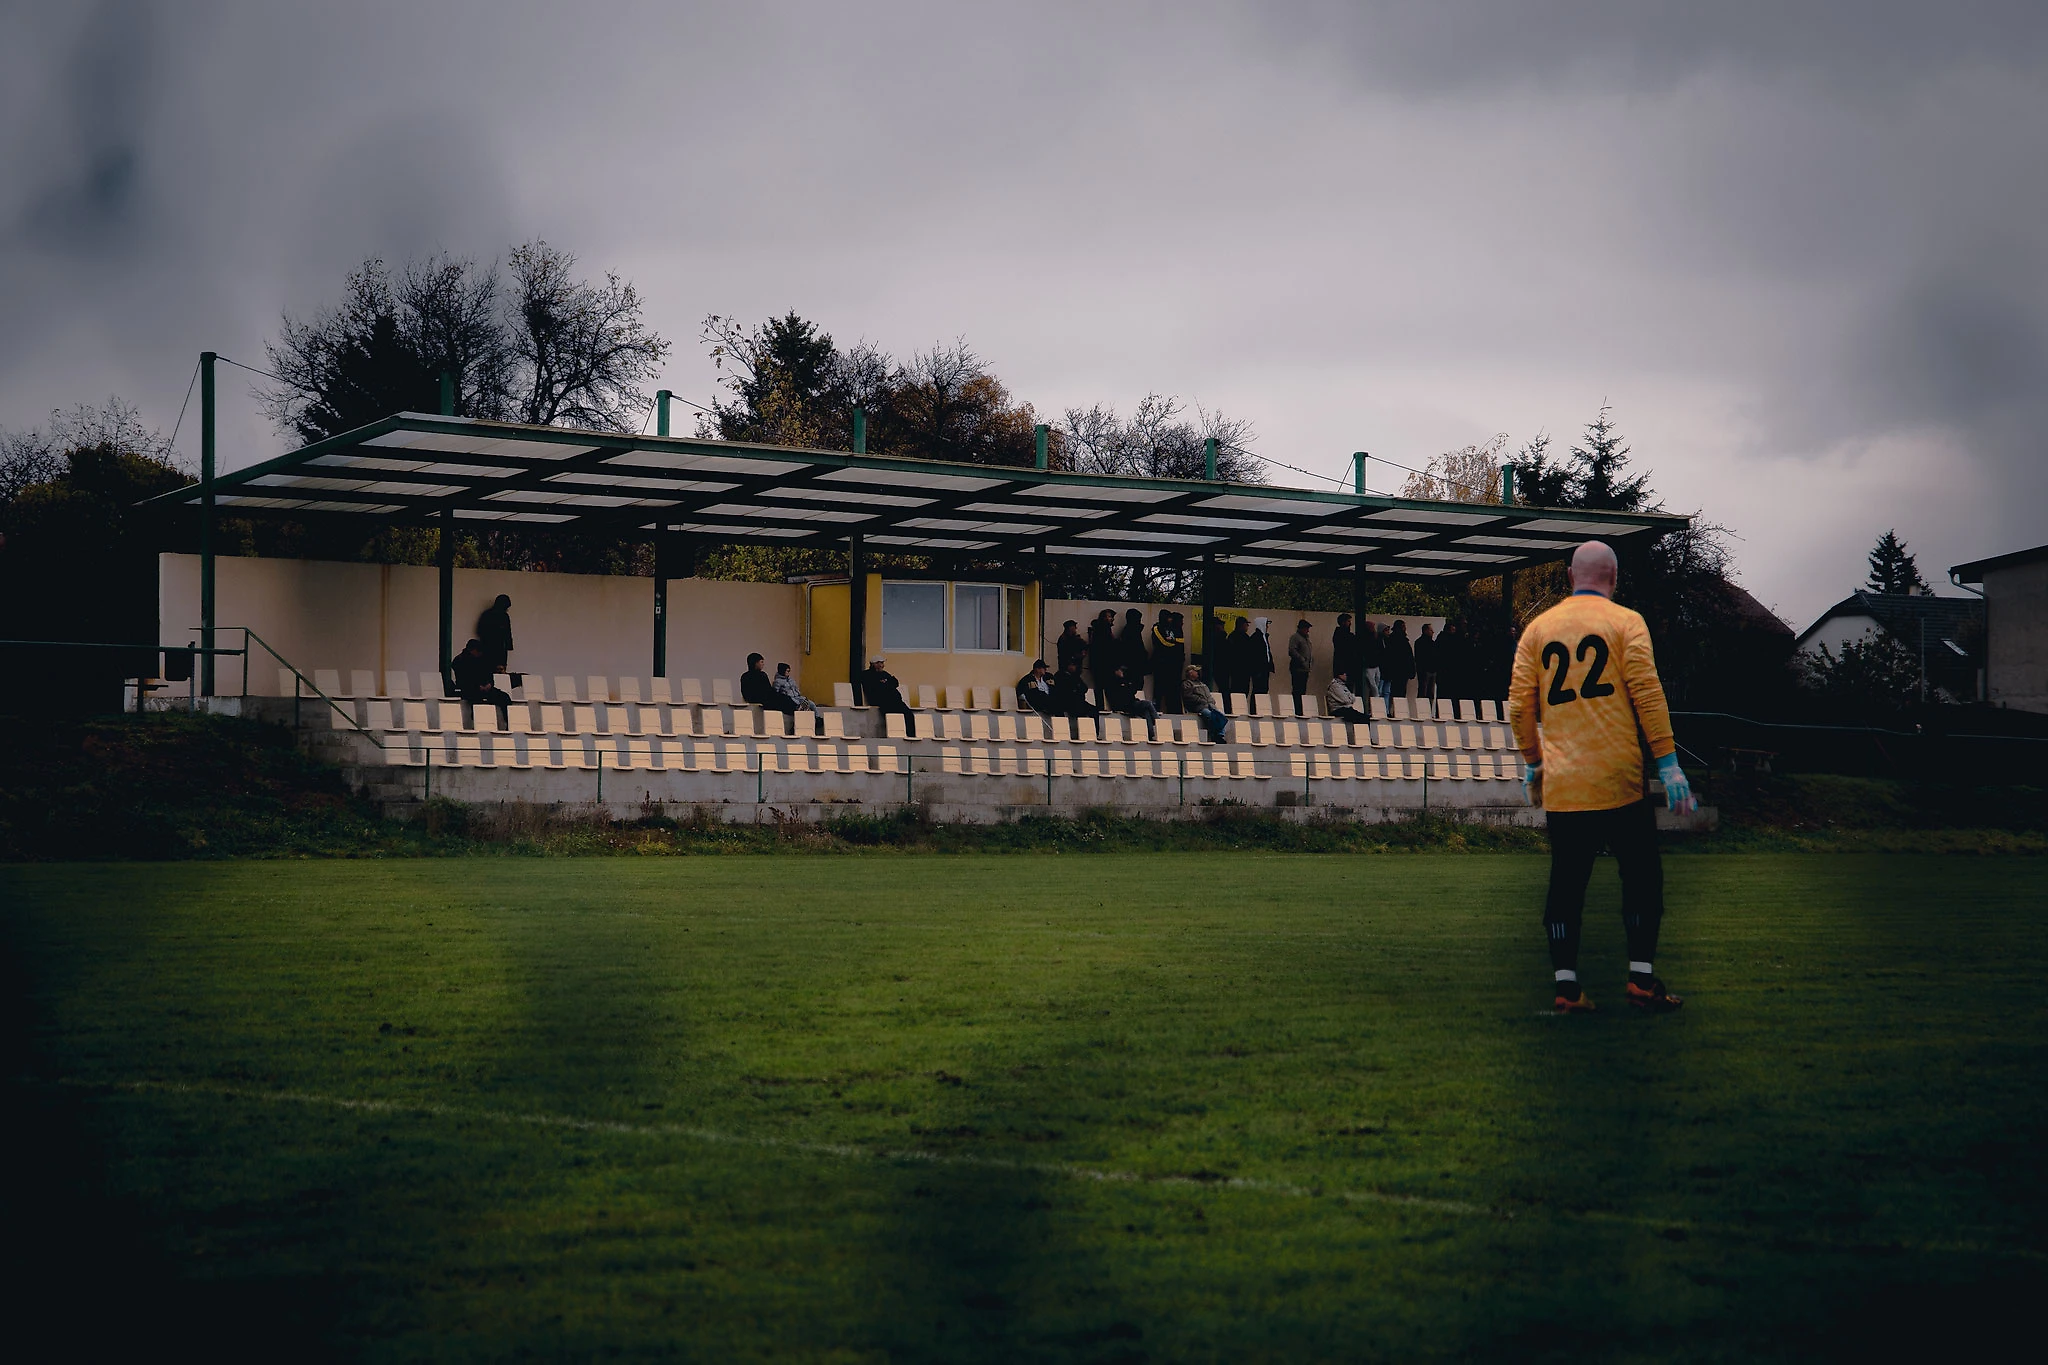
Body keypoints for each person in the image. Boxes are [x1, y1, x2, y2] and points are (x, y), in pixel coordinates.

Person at [1510, 540, 1695, 1016]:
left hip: (1565, 783)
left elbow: (1519, 705)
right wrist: (1668, 761)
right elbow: (1647, 693)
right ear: (1614, 578)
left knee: (1566, 884)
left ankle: (1566, 988)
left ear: (1570, 576)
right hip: (1618, 777)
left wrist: (1533, 760)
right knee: (1641, 877)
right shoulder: (1626, 623)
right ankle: (1640, 979)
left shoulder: (1537, 629)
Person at [450, 638, 512, 730]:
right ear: (472, 650)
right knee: (476, 699)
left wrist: (489, 684)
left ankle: (508, 723)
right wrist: (477, 686)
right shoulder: (459, 660)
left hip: (485, 688)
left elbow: (489, 674)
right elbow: (463, 679)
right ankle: (478, 723)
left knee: (504, 697)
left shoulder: (482, 658)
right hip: (469, 689)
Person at [858, 656, 916, 734]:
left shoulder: (884, 674)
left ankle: (910, 736)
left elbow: (895, 682)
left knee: (909, 715)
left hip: (895, 701)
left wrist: (885, 683)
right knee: (894, 716)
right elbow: (875, 687)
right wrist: (885, 683)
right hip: (882, 701)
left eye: (882, 663)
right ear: (873, 664)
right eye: (879, 663)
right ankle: (896, 734)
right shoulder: (866, 674)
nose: (881, 665)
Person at [1106, 662, 1158, 738]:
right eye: (1120, 670)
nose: (1122, 672)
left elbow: (1132, 691)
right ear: (1116, 671)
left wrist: (1126, 685)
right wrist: (1126, 686)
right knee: (1148, 704)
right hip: (1125, 705)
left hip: (1131, 703)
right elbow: (1123, 694)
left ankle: (1150, 734)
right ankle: (1157, 722)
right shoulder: (1112, 683)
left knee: (1146, 711)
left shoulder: (1125, 681)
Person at [1150, 611, 1186, 714]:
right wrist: (1174, 643)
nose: (1170, 620)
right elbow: (1164, 642)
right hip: (1161, 663)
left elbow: (1181, 641)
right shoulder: (1157, 628)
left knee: (1173, 689)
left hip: (1174, 664)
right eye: (1169, 618)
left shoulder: (1175, 629)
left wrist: (1174, 641)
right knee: (1159, 688)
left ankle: (1174, 711)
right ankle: (1155, 710)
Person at [1182, 664, 1228, 743]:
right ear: (1190, 673)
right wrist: (1201, 700)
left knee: (1220, 716)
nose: (1197, 673)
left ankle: (1220, 735)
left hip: (1209, 705)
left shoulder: (1202, 684)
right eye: (1196, 671)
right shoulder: (1186, 684)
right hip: (1198, 706)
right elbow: (1188, 697)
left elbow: (1209, 695)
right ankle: (1216, 735)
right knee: (1210, 715)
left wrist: (1211, 701)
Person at [1087, 608, 1120, 710]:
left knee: (1101, 688)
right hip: (1103, 665)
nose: (1112, 619)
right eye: (1109, 617)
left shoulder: (1100, 629)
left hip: (1100, 664)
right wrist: (1114, 667)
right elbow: (1106, 651)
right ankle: (1107, 708)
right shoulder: (1103, 630)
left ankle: (1101, 708)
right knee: (1107, 688)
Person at [476, 594, 514, 676]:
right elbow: (481, 631)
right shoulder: (488, 615)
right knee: (490, 671)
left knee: (501, 672)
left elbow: (508, 632)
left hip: (500, 648)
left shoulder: (504, 616)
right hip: (489, 648)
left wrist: (508, 645)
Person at [1220, 616, 1254, 706]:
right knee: (1239, 692)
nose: (1247, 627)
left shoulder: (1233, 636)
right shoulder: (1239, 637)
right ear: (1242, 625)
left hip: (1238, 670)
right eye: (1246, 624)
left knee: (1240, 691)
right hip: (1239, 670)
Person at [1382, 620, 1415, 702]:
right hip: (1397, 671)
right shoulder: (1395, 640)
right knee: (1396, 692)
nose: (1405, 628)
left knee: (1399, 692)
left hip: (1402, 671)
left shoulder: (1396, 639)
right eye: (1403, 626)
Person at [1286, 618, 1314, 714]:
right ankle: (1297, 710)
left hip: (1305, 669)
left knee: (1302, 691)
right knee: (1297, 691)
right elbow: (1292, 651)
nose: (1308, 630)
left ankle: (1301, 710)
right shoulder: (1296, 637)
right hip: (1298, 668)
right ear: (1301, 628)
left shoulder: (1306, 639)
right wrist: (1302, 660)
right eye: (1306, 628)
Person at [1247, 616, 1276, 701]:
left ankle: (1261, 707)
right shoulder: (1256, 638)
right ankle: (1255, 710)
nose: (1267, 627)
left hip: (1264, 670)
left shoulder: (1264, 637)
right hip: (1258, 671)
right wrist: (1257, 670)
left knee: (1264, 690)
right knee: (1257, 691)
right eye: (1266, 625)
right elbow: (1255, 655)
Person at [1332, 613, 1358, 693]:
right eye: (1348, 621)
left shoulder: (1348, 635)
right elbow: (1341, 653)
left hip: (1349, 668)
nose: (1350, 623)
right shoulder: (1340, 635)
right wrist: (1340, 671)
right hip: (1343, 668)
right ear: (1343, 622)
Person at [1415, 622, 1439, 706]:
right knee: (1423, 691)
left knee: (1431, 693)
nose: (1433, 632)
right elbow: (1420, 658)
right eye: (1430, 630)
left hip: (1433, 671)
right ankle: (1421, 710)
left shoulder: (1433, 643)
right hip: (1425, 671)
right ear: (1425, 631)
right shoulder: (1420, 643)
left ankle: (1429, 710)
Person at [1360, 616, 1384, 700]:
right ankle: (1376, 696)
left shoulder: (1376, 637)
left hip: (1376, 664)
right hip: (1369, 664)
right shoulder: (1366, 638)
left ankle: (1376, 696)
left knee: (1377, 681)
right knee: (1372, 683)